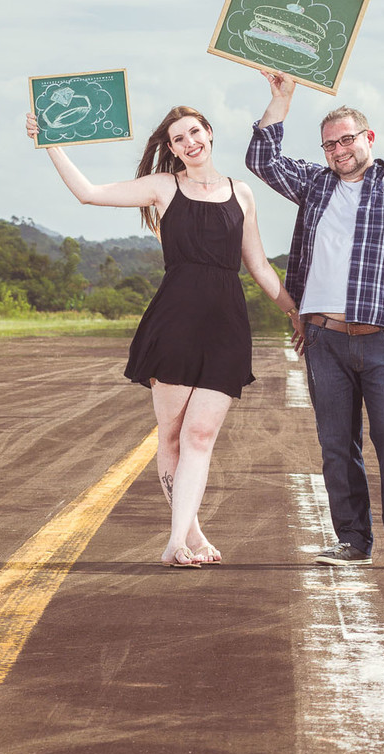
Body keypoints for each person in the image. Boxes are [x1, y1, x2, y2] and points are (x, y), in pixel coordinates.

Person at [26, 105, 301, 568]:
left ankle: (181, 536)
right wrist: (50, 142)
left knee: (200, 434)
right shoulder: (163, 187)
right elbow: (89, 193)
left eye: (195, 132)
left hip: (226, 325)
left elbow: (256, 265)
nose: (189, 142)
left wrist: (294, 311)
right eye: (178, 139)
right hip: (175, 320)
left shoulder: (242, 193)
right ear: (170, 149)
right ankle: (182, 538)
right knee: (172, 435)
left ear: (209, 134)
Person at [245, 72, 384, 571]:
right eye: (329, 144)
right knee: (335, 446)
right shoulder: (315, 183)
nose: (338, 150)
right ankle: (352, 541)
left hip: (383, 339)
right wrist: (280, 100)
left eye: (347, 139)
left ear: (368, 138)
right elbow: (262, 159)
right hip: (324, 338)